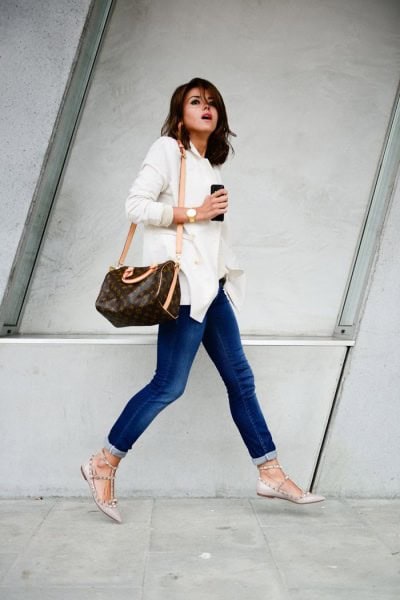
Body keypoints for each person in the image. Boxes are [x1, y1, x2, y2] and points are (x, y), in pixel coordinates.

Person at [81, 77, 325, 523]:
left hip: (212, 290)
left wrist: (221, 258)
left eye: (212, 102)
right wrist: (196, 212)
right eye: (196, 101)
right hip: (185, 293)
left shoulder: (209, 165)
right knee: (168, 385)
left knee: (241, 382)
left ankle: (270, 471)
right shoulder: (166, 151)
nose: (206, 107)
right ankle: (104, 462)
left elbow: (208, 234)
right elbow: (135, 206)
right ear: (180, 114)